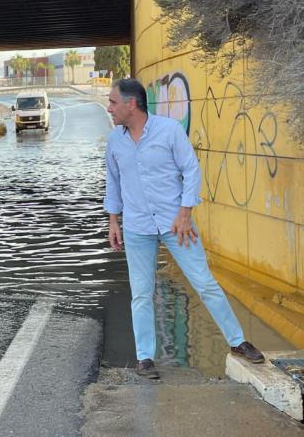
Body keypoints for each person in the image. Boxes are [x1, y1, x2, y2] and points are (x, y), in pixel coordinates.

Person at [104, 78, 264, 379]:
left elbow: (191, 170)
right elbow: (113, 181)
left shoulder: (169, 131)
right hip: (137, 226)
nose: (109, 108)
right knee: (141, 293)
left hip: (177, 224)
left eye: (113, 102)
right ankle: (145, 358)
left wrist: (185, 213)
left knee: (204, 282)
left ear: (131, 104)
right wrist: (113, 221)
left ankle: (237, 341)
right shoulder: (115, 140)